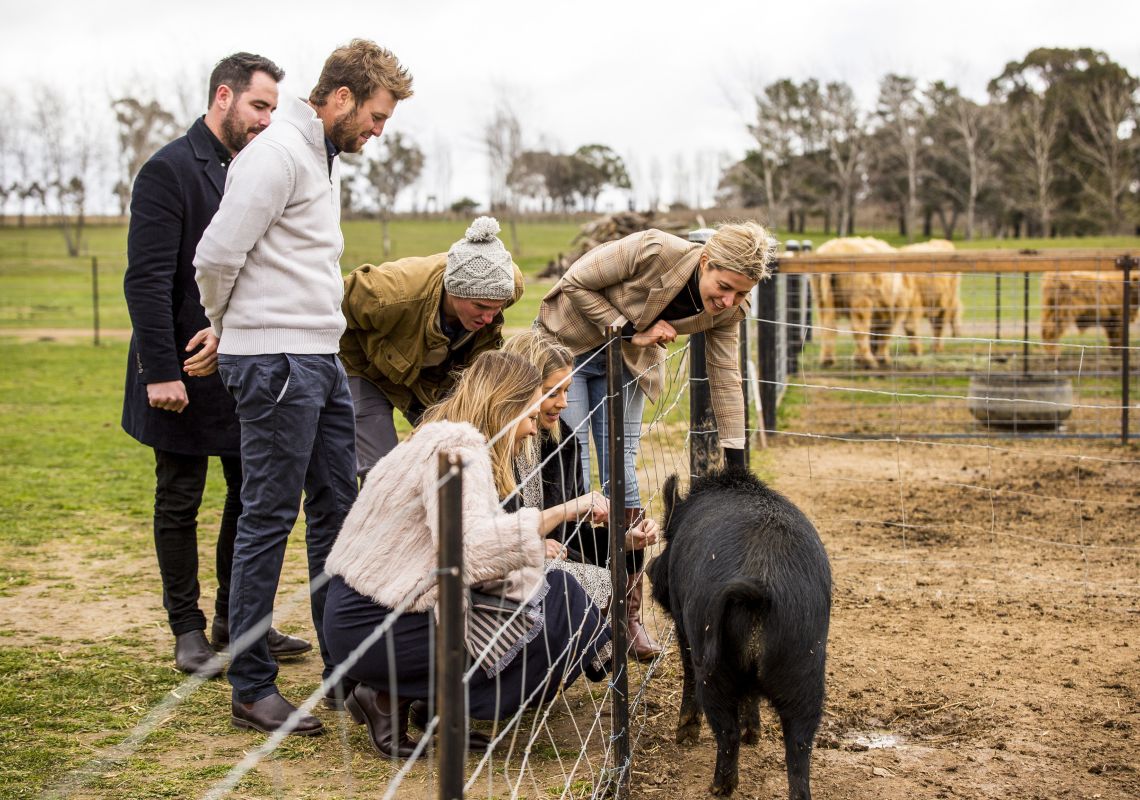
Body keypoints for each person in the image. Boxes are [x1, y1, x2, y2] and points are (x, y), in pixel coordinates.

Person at [194, 39, 414, 736]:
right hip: (276, 361)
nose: (377, 132)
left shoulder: (319, 155)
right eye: (376, 117)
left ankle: (347, 671)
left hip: (318, 358)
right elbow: (216, 255)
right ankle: (252, 686)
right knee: (267, 517)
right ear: (342, 98)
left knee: (337, 513)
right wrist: (226, 325)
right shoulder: (277, 153)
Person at [122, 52, 312, 678]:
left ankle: (239, 619)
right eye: (258, 105)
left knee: (250, 495)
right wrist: (160, 372)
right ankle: (187, 629)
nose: (266, 120)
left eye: (273, 109)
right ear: (223, 97)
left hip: (239, 361)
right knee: (179, 497)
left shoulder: (261, 167)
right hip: (179, 366)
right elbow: (147, 280)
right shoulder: (169, 170)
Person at [323, 351, 611, 758]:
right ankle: (387, 695)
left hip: (383, 608)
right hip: (372, 619)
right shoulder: (458, 452)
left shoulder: (448, 441)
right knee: (553, 610)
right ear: (506, 409)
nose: (534, 430)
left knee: (555, 592)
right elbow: (471, 552)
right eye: (530, 417)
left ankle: (430, 703)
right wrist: (564, 511)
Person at [536, 221, 775, 655]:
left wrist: (737, 464)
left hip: (628, 359)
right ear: (705, 261)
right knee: (575, 463)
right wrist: (631, 330)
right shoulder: (654, 249)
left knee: (622, 471)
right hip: (570, 346)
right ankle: (577, 610)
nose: (728, 301)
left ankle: (625, 615)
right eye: (723, 287)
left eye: (741, 293)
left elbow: (725, 378)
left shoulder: (730, 309)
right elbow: (575, 282)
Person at [503, 330, 663, 659]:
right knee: (578, 585)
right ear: (521, 388)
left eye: (567, 390)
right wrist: (536, 542)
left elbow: (572, 538)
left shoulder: (563, 446)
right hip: (500, 572)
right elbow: (482, 535)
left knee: (594, 578)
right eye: (552, 393)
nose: (564, 403)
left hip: (543, 569)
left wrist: (625, 540)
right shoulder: (490, 448)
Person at [339, 216, 524, 478]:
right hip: (366, 370)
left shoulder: (508, 284)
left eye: (497, 308)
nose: (488, 318)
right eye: (480, 306)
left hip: (431, 375)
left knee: (457, 451)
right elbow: (332, 306)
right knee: (381, 468)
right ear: (454, 291)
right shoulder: (385, 294)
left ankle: (448, 505)